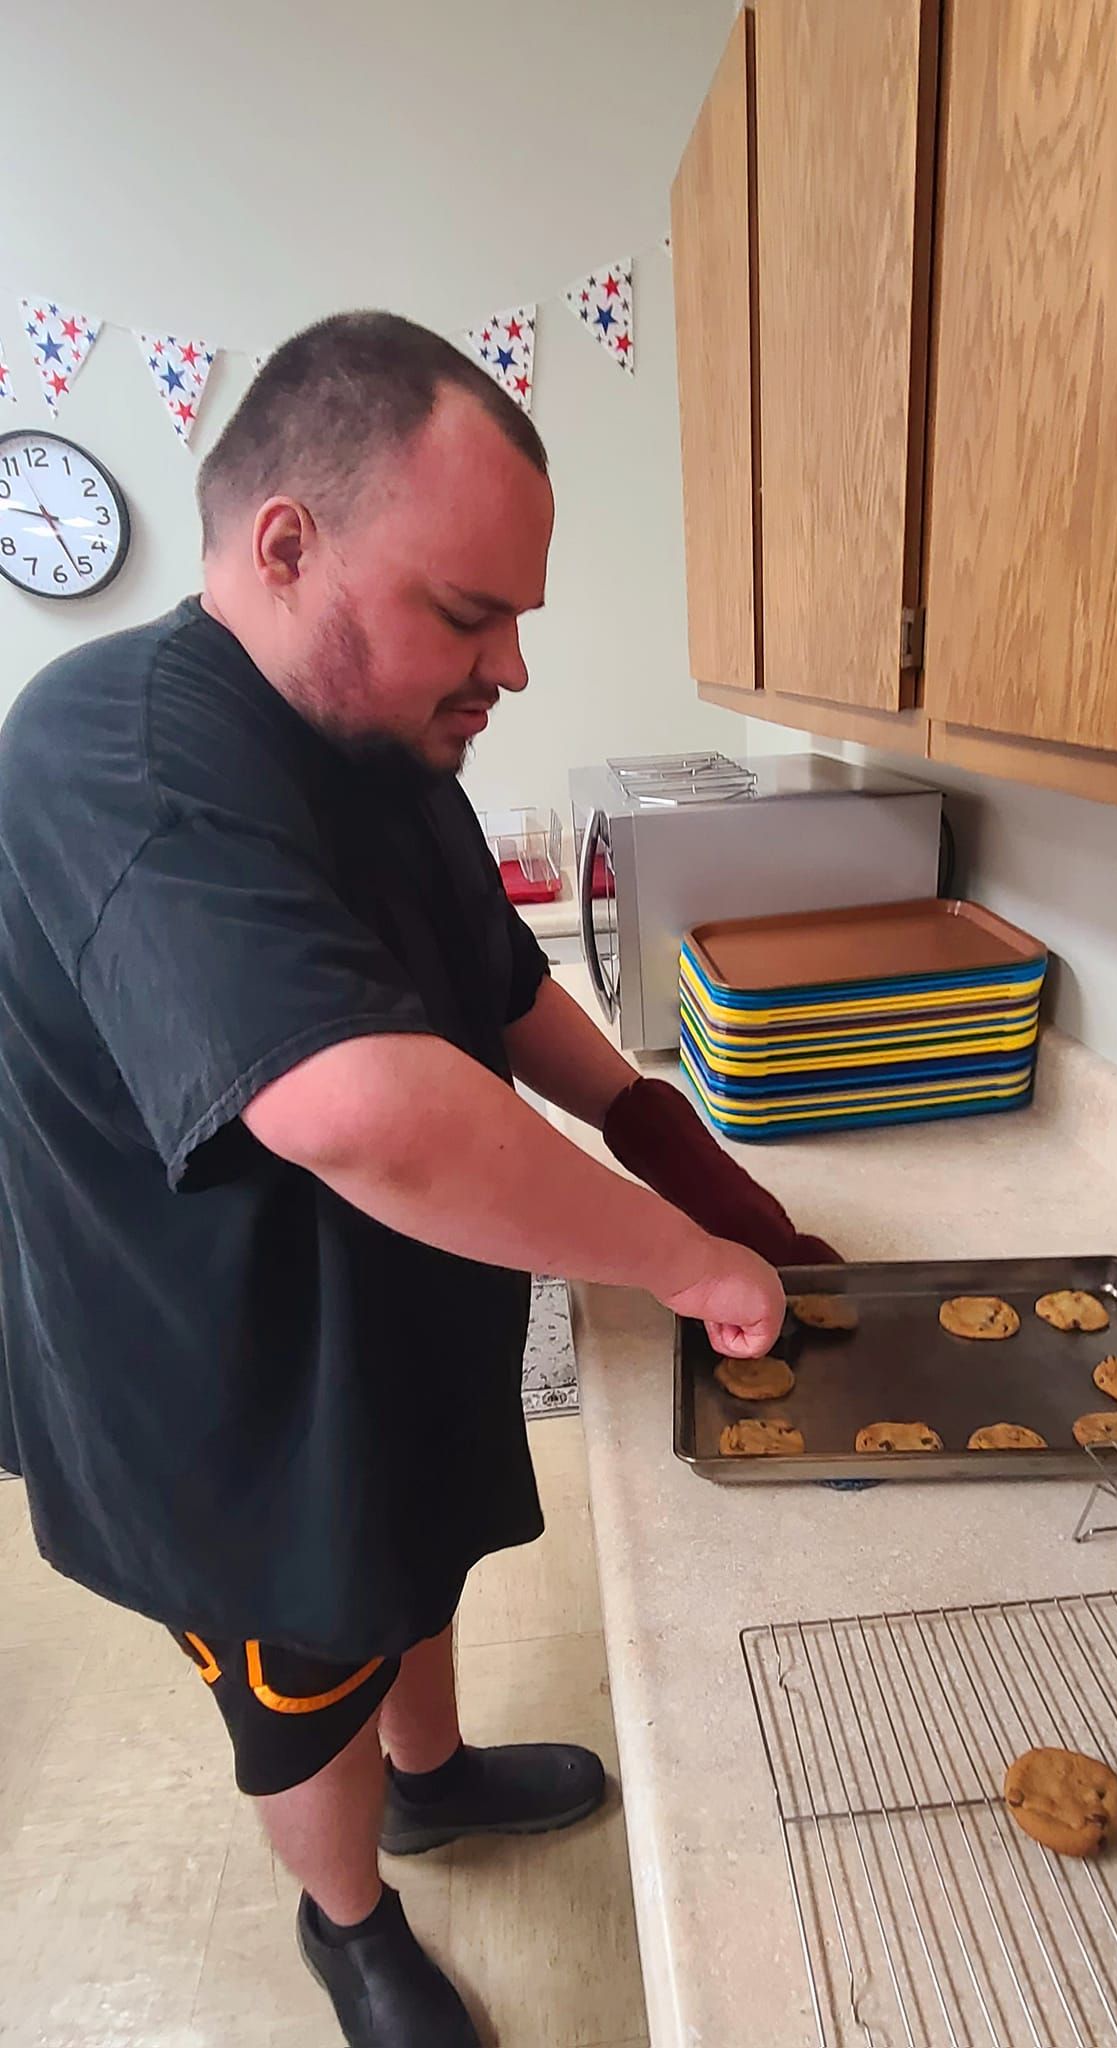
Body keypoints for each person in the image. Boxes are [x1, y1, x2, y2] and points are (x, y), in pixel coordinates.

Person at [0, 312, 834, 2047]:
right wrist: (683, 1262)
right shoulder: (122, 748)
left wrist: (659, 1131)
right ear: (289, 541)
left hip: (399, 1288)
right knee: (302, 1658)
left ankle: (434, 1775)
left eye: (516, 616)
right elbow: (357, 1109)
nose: (512, 664)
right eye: (472, 612)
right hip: (207, 1345)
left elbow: (495, 979)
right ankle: (347, 1913)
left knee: (416, 1546)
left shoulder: (391, 740)